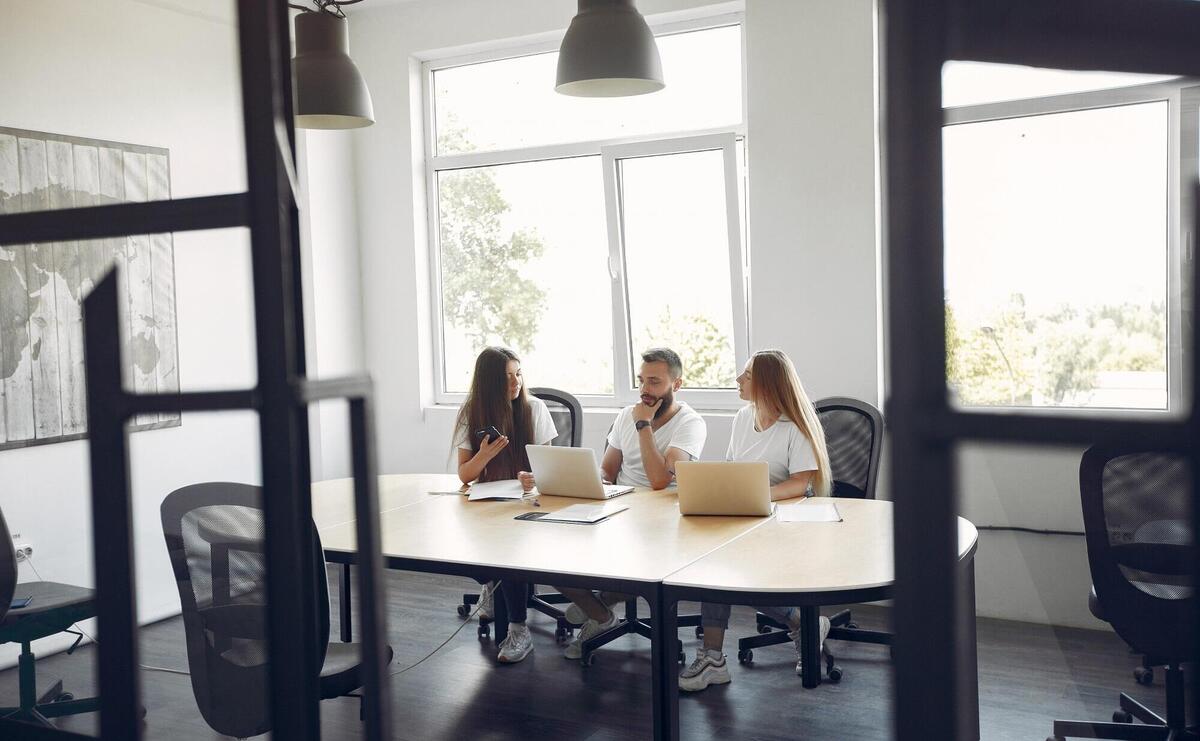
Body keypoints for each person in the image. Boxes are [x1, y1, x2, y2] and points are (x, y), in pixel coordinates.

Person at [678, 349, 834, 691]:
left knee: (732, 570)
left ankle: (795, 626)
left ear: (767, 382)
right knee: (713, 564)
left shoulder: (795, 426)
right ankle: (716, 658)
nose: (738, 380)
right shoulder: (741, 418)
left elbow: (800, 483)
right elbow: (735, 467)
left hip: (790, 515)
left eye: (746, 375)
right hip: (750, 510)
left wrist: (760, 496)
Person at [557, 347, 707, 660]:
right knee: (553, 548)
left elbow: (658, 480)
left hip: (664, 518)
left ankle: (596, 605)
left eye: (654, 382)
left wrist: (644, 426)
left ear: (676, 385)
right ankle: (601, 614)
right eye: (642, 381)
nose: (644, 390)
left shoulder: (690, 423)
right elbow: (608, 469)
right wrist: (596, 482)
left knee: (637, 561)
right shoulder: (626, 414)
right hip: (622, 507)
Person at [453, 346, 558, 663]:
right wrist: (484, 455)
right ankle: (490, 582)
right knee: (461, 541)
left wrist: (533, 478)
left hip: (527, 501)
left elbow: (549, 468)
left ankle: (518, 629)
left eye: (518, 373)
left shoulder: (534, 408)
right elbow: (464, 475)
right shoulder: (472, 412)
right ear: (488, 384)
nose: (515, 383)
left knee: (509, 549)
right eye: (506, 377)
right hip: (486, 500)